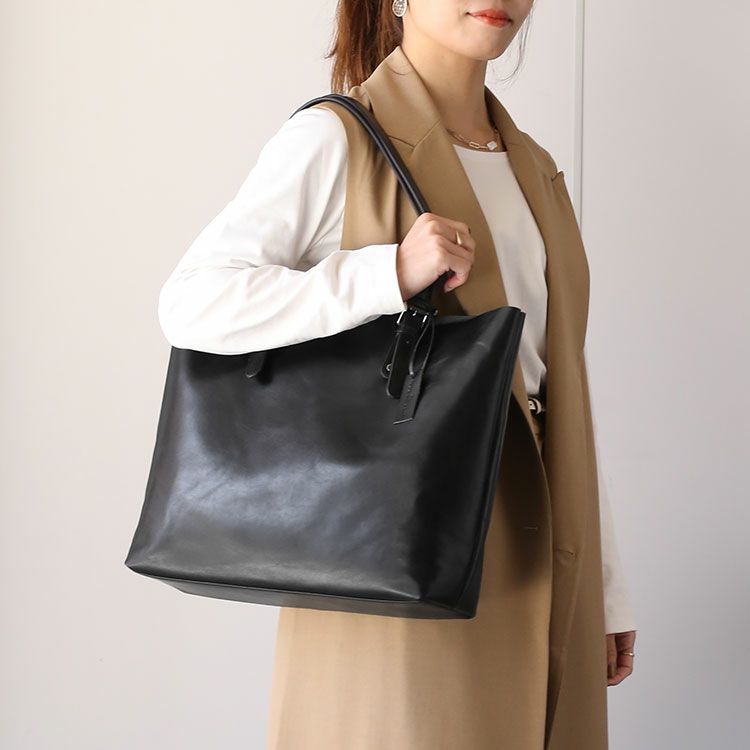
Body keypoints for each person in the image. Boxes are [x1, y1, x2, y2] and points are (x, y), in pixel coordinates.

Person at [158, 1, 637, 747]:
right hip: (400, 542)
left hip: (544, 542)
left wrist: (606, 586)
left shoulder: (537, 170)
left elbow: (560, 380)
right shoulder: (336, 138)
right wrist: (386, 275)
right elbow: (192, 303)